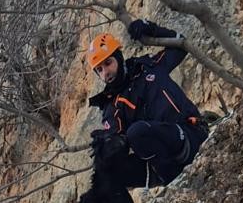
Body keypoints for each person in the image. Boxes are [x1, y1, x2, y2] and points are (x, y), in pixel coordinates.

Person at [86, 21, 208, 188]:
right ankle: (172, 181)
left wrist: (151, 29)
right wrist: (108, 147)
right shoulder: (111, 107)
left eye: (108, 63)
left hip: (189, 134)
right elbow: (118, 142)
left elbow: (180, 46)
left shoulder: (147, 66)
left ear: (119, 57)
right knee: (108, 171)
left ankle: (175, 179)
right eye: (99, 70)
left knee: (137, 131)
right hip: (163, 162)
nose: (105, 72)